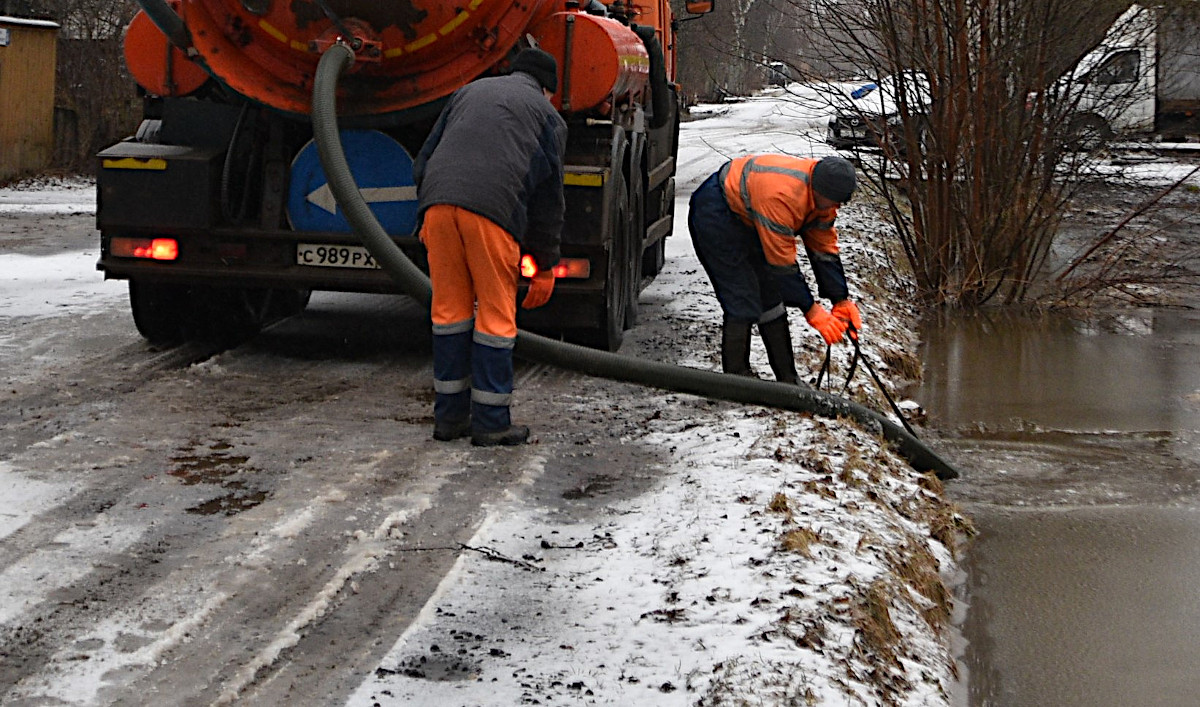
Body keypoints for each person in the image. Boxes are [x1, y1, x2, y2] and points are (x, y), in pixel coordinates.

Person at [413, 47, 568, 446]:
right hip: (492, 213)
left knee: (449, 314)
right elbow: (550, 200)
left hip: (438, 206)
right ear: (548, 87)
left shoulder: (468, 92)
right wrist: (546, 265)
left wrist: (426, 216)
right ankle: (492, 422)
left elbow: (424, 158)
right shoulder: (547, 115)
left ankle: (448, 419)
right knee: (496, 319)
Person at [687, 154, 863, 384]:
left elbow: (824, 250)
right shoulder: (782, 197)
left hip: (748, 214)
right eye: (834, 201)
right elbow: (782, 264)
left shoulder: (822, 201)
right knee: (742, 296)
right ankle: (736, 380)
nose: (837, 207)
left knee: (771, 297)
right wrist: (811, 309)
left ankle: (788, 379)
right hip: (716, 211)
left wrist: (840, 299)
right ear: (818, 191)